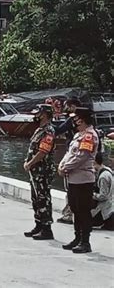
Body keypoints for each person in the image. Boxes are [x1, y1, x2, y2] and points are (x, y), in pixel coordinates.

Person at [58, 107, 99, 253]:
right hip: (73, 179)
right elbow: (70, 153)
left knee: (83, 210)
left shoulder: (89, 136)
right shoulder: (78, 135)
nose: (74, 121)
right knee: (75, 209)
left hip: (83, 179)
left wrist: (66, 168)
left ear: (83, 119)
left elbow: (82, 156)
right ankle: (77, 237)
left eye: (76, 118)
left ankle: (85, 241)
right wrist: (62, 165)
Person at [23, 104, 56, 240]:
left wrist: (30, 163)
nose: (36, 116)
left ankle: (47, 228)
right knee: (36, 198)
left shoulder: (48, 131)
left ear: (44, 114)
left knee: (43, 198)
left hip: (42, 170)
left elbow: (43, 151)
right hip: (35, 171)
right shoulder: (40, 130)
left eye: (39, 113)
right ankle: (38, 224)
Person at [55, 97, 82, 224]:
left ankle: (71, 214)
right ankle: (71, 213)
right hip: (79, 156)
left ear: (73, 106)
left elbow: (59, 129)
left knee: (71, 187)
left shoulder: (73, 120)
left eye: (68, 106)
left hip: (74, 155)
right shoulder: (83, 120)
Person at [91, 153, 113, 230]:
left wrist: (92, 194)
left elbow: (103, 196)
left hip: (106, 208)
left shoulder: (103, 176)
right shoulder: (107, 170)